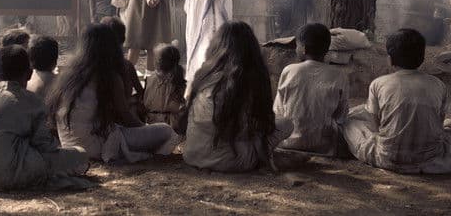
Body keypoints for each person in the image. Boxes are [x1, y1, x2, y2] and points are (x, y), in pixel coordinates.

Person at [0, 45, 92, 190]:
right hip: (7, 174)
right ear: (29, 73)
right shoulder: (31, 101)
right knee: (80, 155)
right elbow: (45, 146)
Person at [343, 29, 451, 174]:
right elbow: (439, 123)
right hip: (433, 160)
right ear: (422, 58)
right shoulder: (438, 84)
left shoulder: (379, 83)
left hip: (386, 158)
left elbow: (376, 125)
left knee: (350, 122)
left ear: (390, 59)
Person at [49, 24, 178, 164]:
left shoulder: (68, 76)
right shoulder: (109, 76)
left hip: (70, 144)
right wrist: (146, 129)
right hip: (99, 146)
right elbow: (126, 116)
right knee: (166, 131)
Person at [182, 21, 293, 172]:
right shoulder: (251, 77)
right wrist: (266, 162)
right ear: (250, 48)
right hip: (232, 161)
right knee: (287, 123)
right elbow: (259, 127)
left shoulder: (204, 73)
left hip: (192, 155)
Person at [273, 23, 349, 157]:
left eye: (297, 45)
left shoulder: (289, 70)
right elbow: (341, 116)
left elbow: (278, 111)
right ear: (326, 49)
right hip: (324, 147)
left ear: (304, 49)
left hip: (288, 144)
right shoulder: (339, 75)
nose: (296, 48)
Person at [101, 16, 145, 119]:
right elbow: (141, 92)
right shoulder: (126, 66)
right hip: (122, 120)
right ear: (122, 40)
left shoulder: (92, 65)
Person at [143, 43, 186, 130]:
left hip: (159, 124)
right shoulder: (179, 79)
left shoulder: (150, 80)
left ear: (157, 61)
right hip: (169, 125)